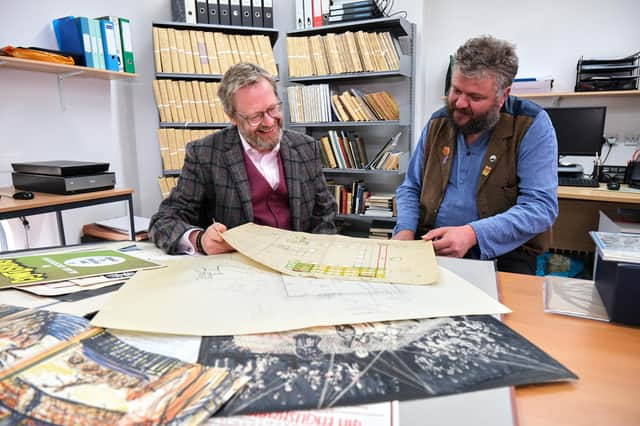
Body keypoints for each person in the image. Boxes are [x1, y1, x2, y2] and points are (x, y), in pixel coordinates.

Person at [393, 35, 558, 274]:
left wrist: (472, 234)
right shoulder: (438, 122)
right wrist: (405, 231)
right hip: (431, 246)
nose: (460, 103)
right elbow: (411, 187)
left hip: (504, 254)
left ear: (503, 96)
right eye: (456, 90)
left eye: (475, 97)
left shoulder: (531, 125)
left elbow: (540, 208)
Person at [149, 63, 337, 255]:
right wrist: (199, 240)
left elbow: (324, 213)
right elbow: (164, 220)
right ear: (232, 117)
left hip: (298, 264)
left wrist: (316, 254)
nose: (270, 122)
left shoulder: (306, 147)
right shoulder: (205, 154)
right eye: (255, 116)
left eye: (273, 109)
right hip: (240, 268)